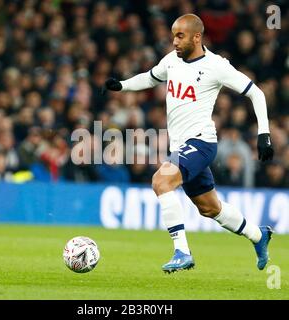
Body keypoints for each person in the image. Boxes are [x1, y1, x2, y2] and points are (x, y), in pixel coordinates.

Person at [103, 14, 274, 273]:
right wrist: (122, 86)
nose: (174, 41)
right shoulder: (172, 60)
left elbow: (256, 93)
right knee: (209, 208)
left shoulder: (216, 66)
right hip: (181, 147)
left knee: (161, 181)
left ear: (197, 36)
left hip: (201, 143)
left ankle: (182, 251)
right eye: (173, 35)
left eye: (180, 36)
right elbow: (151, 77)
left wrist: (264, 133)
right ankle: (258, 236)